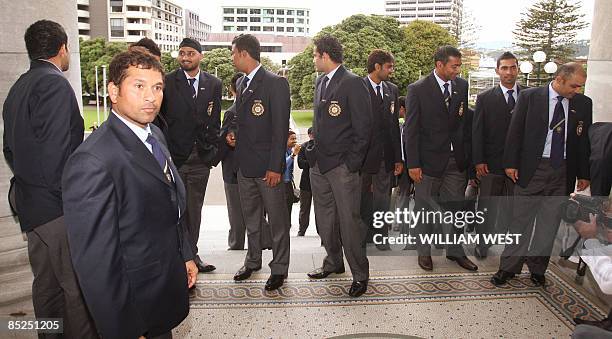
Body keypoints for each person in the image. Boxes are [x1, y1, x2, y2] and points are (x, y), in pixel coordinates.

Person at [62, 48, 197, 339]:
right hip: (133, 306)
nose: (151, 97)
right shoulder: (93, 160)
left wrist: (185, 254)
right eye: (139, 86)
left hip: (161, 290)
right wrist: (124, 329)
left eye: (157, 87)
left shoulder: (154, 134)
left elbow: (171, 201)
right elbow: (96, 263)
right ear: (113, 91)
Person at [2, 20, 97, 338]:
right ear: (63, 48)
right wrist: (69, 201)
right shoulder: (54, 83)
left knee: (46, 284)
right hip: (56, 208)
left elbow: (10, 150)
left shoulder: (19, 86)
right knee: (76, 287)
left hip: (31, 205)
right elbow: (58, 154)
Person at [492, 62, 592, 286]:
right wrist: (510, 163)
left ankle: (538, 268)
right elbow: (515, 131)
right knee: (520, 221)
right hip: (532, 169)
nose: (577, 91)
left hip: (563, 171)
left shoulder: (583, 104)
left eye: (580, 87)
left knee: (549, 224)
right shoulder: (530, 97)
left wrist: (584, 173)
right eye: (574, 86)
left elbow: (583, 141)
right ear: (559, 79)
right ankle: (508, 267)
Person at [305, 35, 372, 297]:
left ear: (324, 55)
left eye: (314, 55)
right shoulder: (321, 82)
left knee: (349, 222)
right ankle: (333, 262)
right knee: (325, 220)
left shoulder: (353, 83)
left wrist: (351, 164)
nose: (313, 59)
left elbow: (364, 129)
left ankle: (360, 274)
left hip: (342, 167)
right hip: (319, 164)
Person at [403, 45, 478, 272]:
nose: (458, 71)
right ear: (439, 65)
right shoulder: (417, 89)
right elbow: (411, 130)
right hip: (427, 164)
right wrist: (413, 164)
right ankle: (424, 253)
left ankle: (455, 251)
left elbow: (462, 123)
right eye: (454, 66)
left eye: (459, 66)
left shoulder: (462, 86)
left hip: (456, 162)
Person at [228, 34, 291, 291]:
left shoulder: (275, 83)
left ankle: (279, 268)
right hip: (245, 166)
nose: (231, 58)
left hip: (268, 169)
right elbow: (239, 118)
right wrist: (232, 134)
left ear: (244, 54)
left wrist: (276, 166)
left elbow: (279, 129)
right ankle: (253, 261)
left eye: (233, 53)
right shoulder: (242, 83)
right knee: (251, 219)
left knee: (277, 221)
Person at [157, 37, 220, 274]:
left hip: (200, 159)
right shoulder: (168, 82)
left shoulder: (213, 83)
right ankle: (176, 258)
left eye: (190, 53)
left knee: (195, 209)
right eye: (182, 53)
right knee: (176, 209)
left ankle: (192, 255)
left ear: (200, 56)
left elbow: (215, 122)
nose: (185, 57)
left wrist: (212, 153)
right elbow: (159, 120)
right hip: (175, 158)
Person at [472, 52, 524, 258]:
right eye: (504, 68)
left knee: (517, 210)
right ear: (497, 71)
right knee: (488, 207)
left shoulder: (529, 95)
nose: (509, 72)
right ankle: (482, 244)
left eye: (513, 67)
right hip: (491, 164)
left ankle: (513, 250)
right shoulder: (485, 98)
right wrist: (478, 160)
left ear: (518, 69)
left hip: (520, 167)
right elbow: (477, 132)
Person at [361, 49, 403, 250]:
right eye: (389, 67)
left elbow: (394, 126)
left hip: (386, 156)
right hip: (362, 157)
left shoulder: (392, 89)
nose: (391, 71)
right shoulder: (357, 87)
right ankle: (362, 235)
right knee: (362, 198)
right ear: (377, 67)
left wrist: (398, 158)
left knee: (383, 199)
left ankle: (381, 236)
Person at [297, 127, 315, 236]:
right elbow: (300, 164)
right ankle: (302, 230)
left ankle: (322, 231)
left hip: (319, 182)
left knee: (320, 209)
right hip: (306, 182)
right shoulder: (304, 147)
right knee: (304, 208)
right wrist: (312, 163)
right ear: (309, 135)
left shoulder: (320, 146)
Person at [283, 130, 300, 225]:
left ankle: (287, 224)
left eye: (295, 138)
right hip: (281, 183)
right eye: (292, 139)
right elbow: (283, 164)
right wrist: (293, 155)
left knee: (289, 204)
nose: (294, 141)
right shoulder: (281, 150)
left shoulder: (290, 150)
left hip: (288, 182)